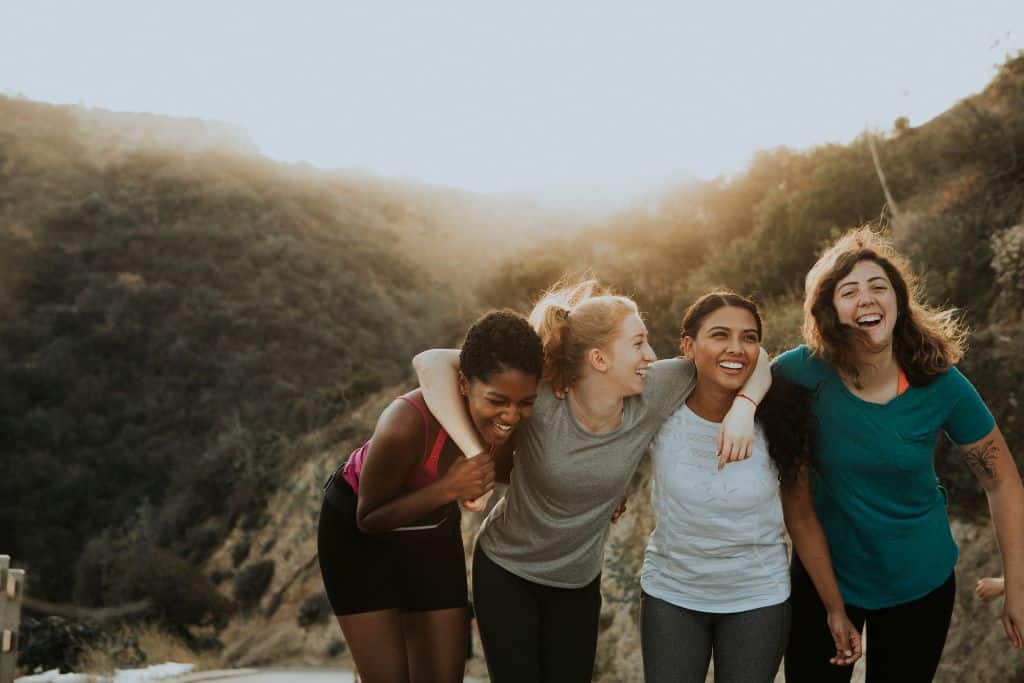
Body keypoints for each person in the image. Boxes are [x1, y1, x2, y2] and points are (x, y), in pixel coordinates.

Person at [412, 280, 770, 683]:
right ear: (600, 358)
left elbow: (752, 357)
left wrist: (744, 408)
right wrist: (475, 454)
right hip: (507, 570)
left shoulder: (655, 390)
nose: (651, 355)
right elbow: (431, 362)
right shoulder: (541, 396)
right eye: (638, 343)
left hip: (578, 582)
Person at [777, 228, 1024, 682]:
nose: (866, 298)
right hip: (825, 575)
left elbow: (1002, 481)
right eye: (849, 291)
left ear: (898, 301)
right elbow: (741, 371)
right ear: (829, 311)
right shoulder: (801, 372)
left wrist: (1019, 587)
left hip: (919, 582)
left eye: (878, 287)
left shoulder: (939, 382)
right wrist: (742, 410)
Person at [640, 292, 861, 683]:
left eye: (749, 337)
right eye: (720, 335)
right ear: (689, 346)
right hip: (672, 594)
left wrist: (835, 607)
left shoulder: (781, 419)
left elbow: (802, 518)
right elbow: (609, 434)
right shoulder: (660, 406)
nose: (736, 349)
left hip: (757, 598)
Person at [317, 310, 543, 683]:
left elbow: (533, 473)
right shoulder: (405, 423)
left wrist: (604, 494)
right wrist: (449, 489)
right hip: (357, 538)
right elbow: (368, 518)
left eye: (525, 403)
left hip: (431, 532)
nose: (511, 415)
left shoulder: (509, 427)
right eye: (497, 400)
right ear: (464, 384)